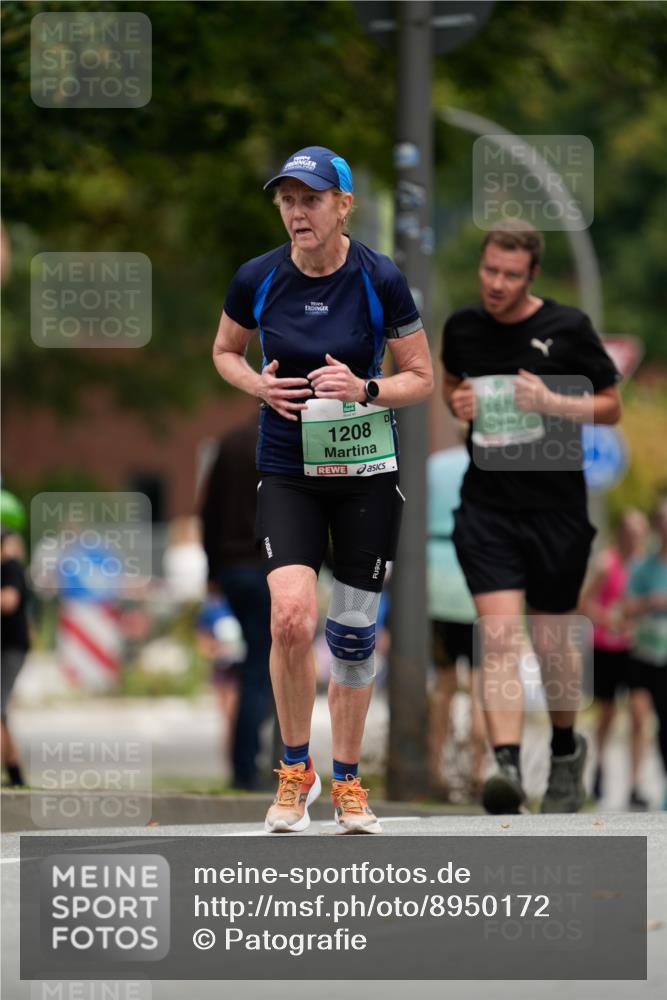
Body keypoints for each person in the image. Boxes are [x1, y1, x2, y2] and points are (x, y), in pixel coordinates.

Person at [212, 145, 433, 833]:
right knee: (290, 619)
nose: (297, 212)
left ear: (342, 206)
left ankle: (347, 782)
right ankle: (293, 770)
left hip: (365, 473)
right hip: (288, 470)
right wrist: (258, 384)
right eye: (286, 199)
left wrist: (365, 388)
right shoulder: (257, 277)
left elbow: (421, 375)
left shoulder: (379, 278)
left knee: (354, 634)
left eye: (310, 199)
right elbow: (224, 351)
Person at [441, 218, 622, 814]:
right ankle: (507, 768)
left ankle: (567, 751)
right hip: (488, 509)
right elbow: (451, 385)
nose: (496, 283)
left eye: (510, 275)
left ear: (532, 274)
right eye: (489, 270)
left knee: (552, 644)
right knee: (496, 637)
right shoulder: (463, 328)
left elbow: (611, 407)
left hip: (556, 513)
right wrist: (457, 401)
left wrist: (552, 402)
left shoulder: (566, 328)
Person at [200, 418, 274, 791]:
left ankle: (247, 762)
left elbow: (208, 510)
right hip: (269, 566)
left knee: (256, 665)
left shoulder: (229, 442)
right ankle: (247, 767)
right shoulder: (287, 437)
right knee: (262, 668)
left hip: (232, 568)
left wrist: (212, 570)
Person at [579, 508, 651, 808]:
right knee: (607, 714)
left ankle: (635, 782)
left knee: (639, 713)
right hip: (606, 647)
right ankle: (599, 766)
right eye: (629, 533)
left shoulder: (646, 566)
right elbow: (584, 603)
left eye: (639, 533)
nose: (634, 539)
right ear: (620, 534)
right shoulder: (606, 564)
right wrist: (608, 619)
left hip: (636, 649)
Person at [427, 446, 486, 800]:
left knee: (444, 684)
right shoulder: (496, 466)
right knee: (482, 685)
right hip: (481, 579)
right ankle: (478, 772)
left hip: (438, 576)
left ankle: (436, 770)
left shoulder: (435, 465)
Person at [625, 497, 667, 809]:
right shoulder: (643, 567)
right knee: (638, 719)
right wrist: (650, 602)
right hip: (643, 652)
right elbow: (625, 608)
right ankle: (634, 783)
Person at [1, 489, 30, 787]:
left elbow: (8, 602)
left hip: (11, 647)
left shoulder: (10, 568)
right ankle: (15, 773)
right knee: (1, 712)